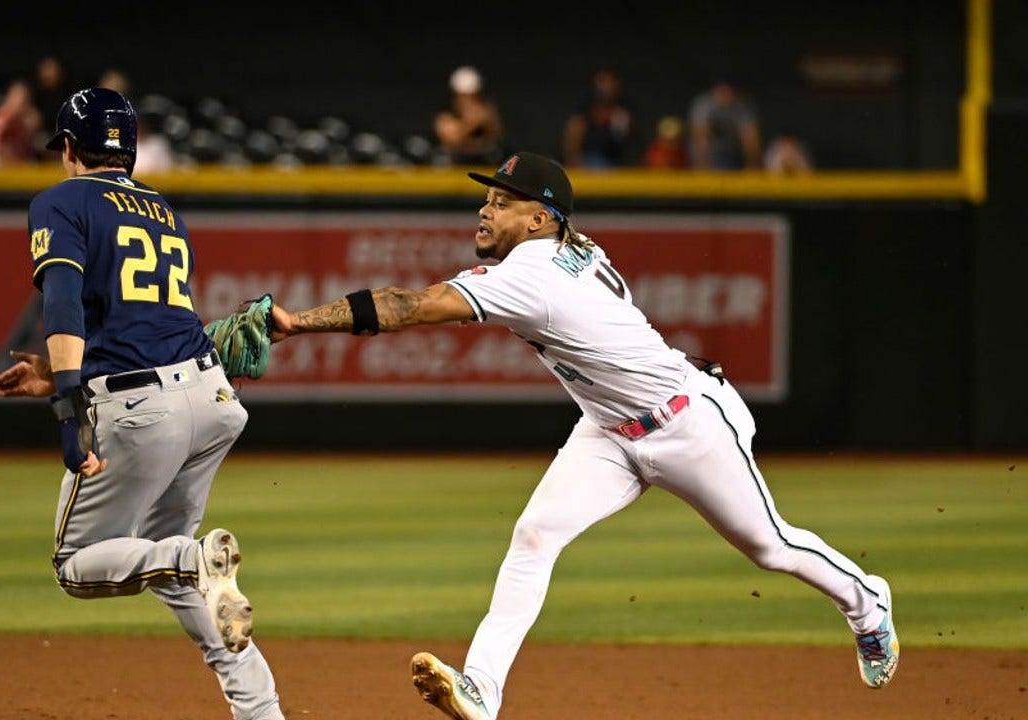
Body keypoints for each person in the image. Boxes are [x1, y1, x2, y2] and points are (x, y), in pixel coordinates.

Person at [266, 151, 900, 720]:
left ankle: (867, 602)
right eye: (487, 198)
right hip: (606, 430)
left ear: (541, 219)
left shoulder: (530, 274)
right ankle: (482, 689)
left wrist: (297, 322)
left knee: (770, 547)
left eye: (501, 203)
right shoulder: (573, 246)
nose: (484, 211)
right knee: (535, 536)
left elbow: (408, 306)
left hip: (688, 424)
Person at [0, 87, 286, 720]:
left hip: (142, 408)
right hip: (211, 395)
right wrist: (60, 373)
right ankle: (260, 710)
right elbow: (140, 320)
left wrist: (69, 409)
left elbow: (62, 303)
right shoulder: (160, 209)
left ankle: (186, 557)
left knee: (77, 565)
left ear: (69, 148)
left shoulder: (61, 200)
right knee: (178, 568)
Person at [561, 67, 635, 169]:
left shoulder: (624, 105)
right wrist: (574, 160)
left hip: (619, 161)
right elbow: (574, 131)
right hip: (592, 160)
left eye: (611, 81)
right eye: (603, 81)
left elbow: (631, 136)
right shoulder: (586, 104)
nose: (607, 85)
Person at [433, 65, 504, 165]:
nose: (468, 100)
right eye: (464, 96)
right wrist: (472, 122)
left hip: (485, 164)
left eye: (473, 96)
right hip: (455, 166)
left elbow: (497, 135)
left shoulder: (488, 111)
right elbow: (452, 139)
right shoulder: (446, 114)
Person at [687, 76, 762, 170]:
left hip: (733, 154)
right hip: (710, 154)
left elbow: (751, 138)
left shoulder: (743, 106)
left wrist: (753, 165)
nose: (726, 92)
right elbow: (700, 136)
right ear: (715, 90)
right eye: (722, 89)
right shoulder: (704, 104)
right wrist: (702, 166)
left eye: (729, 89)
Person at [0, 77, 42, 171]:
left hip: (18, 167)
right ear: (10, 96)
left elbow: (28, 148)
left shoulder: (24, 122)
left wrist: (31, 128)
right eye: (20, 96)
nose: (23, 101)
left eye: (26, 98)